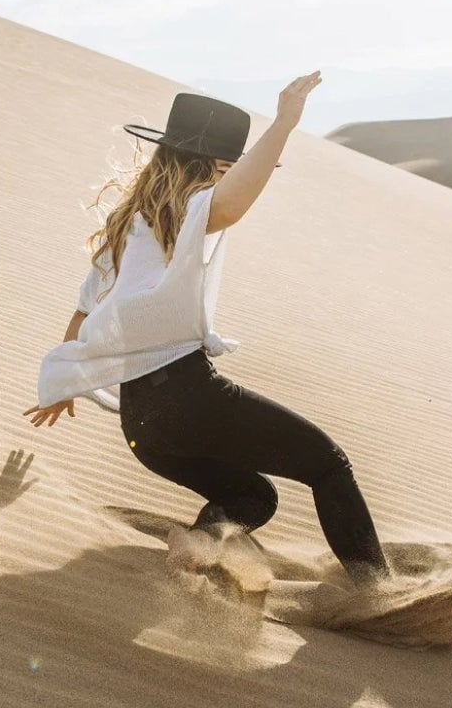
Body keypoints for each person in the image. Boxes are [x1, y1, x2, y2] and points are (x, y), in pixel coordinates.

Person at [23, 71, 391, 588]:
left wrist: (63, 384)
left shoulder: (128, 227)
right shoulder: (187, 209)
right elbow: (232, 205)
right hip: (186, 395)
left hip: (143, 426)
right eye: (224, 167)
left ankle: (198, 547)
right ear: (201, 165)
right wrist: (283, 124)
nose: (226, 178)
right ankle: (379, 592)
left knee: (254, 496)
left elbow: (82, 316)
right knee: (328, 465)